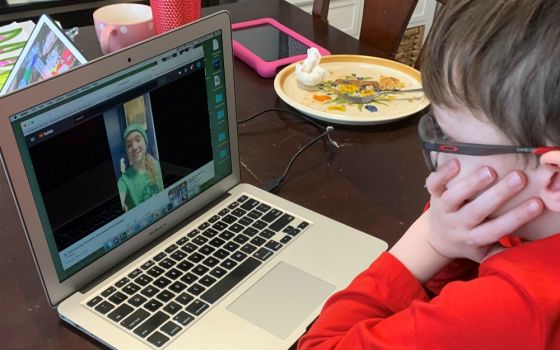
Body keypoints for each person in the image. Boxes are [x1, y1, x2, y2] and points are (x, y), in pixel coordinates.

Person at [298, 0, 560, 348]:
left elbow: (321, 344)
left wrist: (431, 240)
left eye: (452, 141)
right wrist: (456, 238)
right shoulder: (532, 225)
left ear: (554, 178)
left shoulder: (515, 306)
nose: (436, 153)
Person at [118, 124, 164, 211]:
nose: (134, 147)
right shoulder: (124, 181)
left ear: (145, 143)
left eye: (138, 140)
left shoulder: (156, 165)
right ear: (127, 153)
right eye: (129, 145)